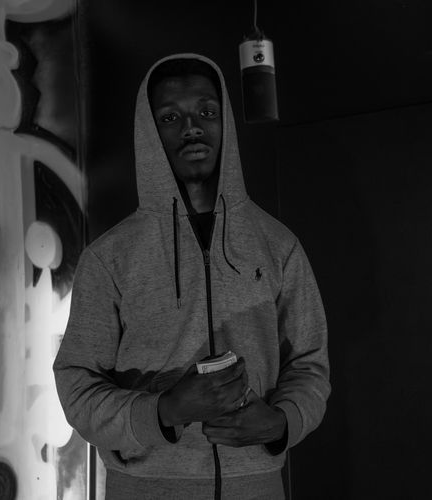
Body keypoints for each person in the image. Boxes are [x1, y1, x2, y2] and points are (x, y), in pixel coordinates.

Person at [53, 53, 330, 500]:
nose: (192, 128)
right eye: (170, 117)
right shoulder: (109, 258)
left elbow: (310, 365)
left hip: (256, 487)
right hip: (146, 489)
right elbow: (76, 386)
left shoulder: (278, 246)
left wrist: (280, 423)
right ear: (149, 131)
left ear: (225, 123)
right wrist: (164, 411)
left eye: (206, 112)